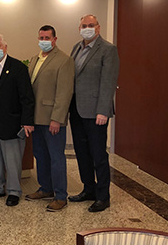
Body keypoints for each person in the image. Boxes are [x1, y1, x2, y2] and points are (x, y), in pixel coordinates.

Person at [68, 14, 119, 213]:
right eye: (83, 25)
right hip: (77, 110)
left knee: (98, 155)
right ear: (79, 28)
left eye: (90, 25)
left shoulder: (108, 49)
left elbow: (108, 82)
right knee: (81, 153)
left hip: (96, 112)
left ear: (98, 28)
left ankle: (103, 196)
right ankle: (88, 189)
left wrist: (103, 111)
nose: (87, 28)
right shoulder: (76, 48)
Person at [0, 34, 35, 207]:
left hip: (12, 119)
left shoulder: (17, 67)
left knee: (12, 158)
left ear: (5, 48)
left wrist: (27, 121)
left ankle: (13, 191)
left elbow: (27, 97)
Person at [25, 25, 74, 212]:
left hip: (53, 119)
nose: (43, 40)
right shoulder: (34, 59)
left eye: (47, 37)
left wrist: (57, 119)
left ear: (54, 39)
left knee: (56, 158)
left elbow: (64, 92)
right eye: (41, 37)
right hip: (36, 118)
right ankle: (46, 188)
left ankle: (61, 196)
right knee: (40, 156)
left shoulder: (64, 60)